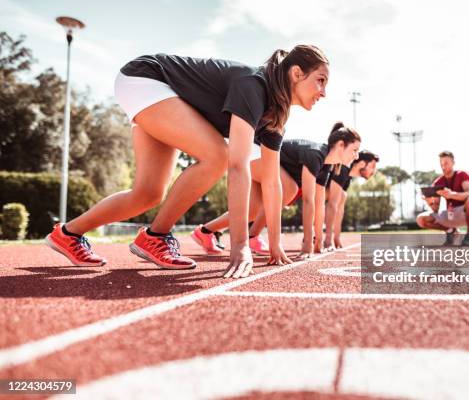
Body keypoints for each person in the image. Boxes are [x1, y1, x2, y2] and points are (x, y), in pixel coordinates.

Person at [45, 45, 329, 278]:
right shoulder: (254, 85)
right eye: (320, 80)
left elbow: (272, 181)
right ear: (296, 73)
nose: (323, 92)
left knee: (148, 193)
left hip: (164, 96)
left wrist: (275, 246)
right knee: (218, 155)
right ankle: (156, 237)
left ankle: (68, 233)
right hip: (146, 79)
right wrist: (240, 245)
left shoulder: (276, 116)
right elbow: (237, 166)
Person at [193, 122, 361, 260]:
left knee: (253, 211)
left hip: (261, 160)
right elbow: (308, 200)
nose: (356, 156)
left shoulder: (327, 166)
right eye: (354, 150)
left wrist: (319, 240)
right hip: (253, 150)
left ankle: (205, 231)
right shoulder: (316, 154)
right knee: (289, 189)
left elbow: (319, 204)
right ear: (340, 145)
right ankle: (252, 237)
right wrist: (307, 244)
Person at [416, 151, 469, 246]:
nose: (443, 166)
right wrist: (430, 203)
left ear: (453, 163)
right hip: (449, 214)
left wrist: (451, 195)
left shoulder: (462, 174)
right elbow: (435, 209)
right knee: (420, 219)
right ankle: (451, 231)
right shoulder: (438, 181)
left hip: (463, 213)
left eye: (446, 163)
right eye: (441, 164)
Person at [323, 150, 379, 250]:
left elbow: (338, 207)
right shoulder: (343, 169)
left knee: (342, 195)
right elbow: (332, 204)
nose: (374, 171)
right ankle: (316, 236)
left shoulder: (347, 178)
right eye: (372, 166)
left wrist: (336, 237)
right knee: (339, 196)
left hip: (315, 193)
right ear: (362, 163)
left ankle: (333, 237)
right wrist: (328, 239)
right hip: (303, 184)